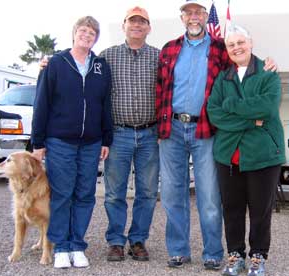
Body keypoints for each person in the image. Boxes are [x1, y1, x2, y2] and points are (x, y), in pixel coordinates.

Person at [156, 0, 277, 270]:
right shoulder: (169, 49)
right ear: (182, 18)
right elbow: (160, 87)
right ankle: (178, 250)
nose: (194, 17)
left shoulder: (221, 48)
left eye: (199, 12)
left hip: (205, 129)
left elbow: (244, 60)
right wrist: (159, 125)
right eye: (189, 13)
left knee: (209, 196)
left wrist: (268, 62)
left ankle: (213, 253)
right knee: (173, 194)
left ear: (205, 17)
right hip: (172, 130)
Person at [31, 16, 113, 269]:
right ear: (74, 33)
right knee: (62, 194)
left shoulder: (100, 66)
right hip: (60, 142)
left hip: (91, 142)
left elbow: (105, 104)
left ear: (96, 38)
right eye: (83, 31)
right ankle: (61, 247)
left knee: (85, 194)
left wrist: (106, 138)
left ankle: (77, 245)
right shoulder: (55, 63)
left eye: (92, 33)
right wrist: (38, 142)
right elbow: (41, 103)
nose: (87, 35)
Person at [207, 24, 285, 276]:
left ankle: (258, 257)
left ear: (250, 43)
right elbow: (215, 113)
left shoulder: (268, 73)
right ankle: (235, 255)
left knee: (260, 211)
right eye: (231, 45)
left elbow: (267, 107)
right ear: (227, 50)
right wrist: (251, 120)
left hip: (263, 155)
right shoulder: (223, 77)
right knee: (232, 209)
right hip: (228, 156)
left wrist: (232, 106)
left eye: (241, 42)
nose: (237, 48)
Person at [99, 6, 160, 262]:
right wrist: (49, 62)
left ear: (148, 27)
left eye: (142, 22)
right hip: (118, 134)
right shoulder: (107, 56)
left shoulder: (160, 57)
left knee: (147, 192)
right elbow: (79, 68)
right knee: (115, 192)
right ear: (124, 25)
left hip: (150, 134)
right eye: (132, 21)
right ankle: (115, 241)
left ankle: (138, 240)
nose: (137, 25)